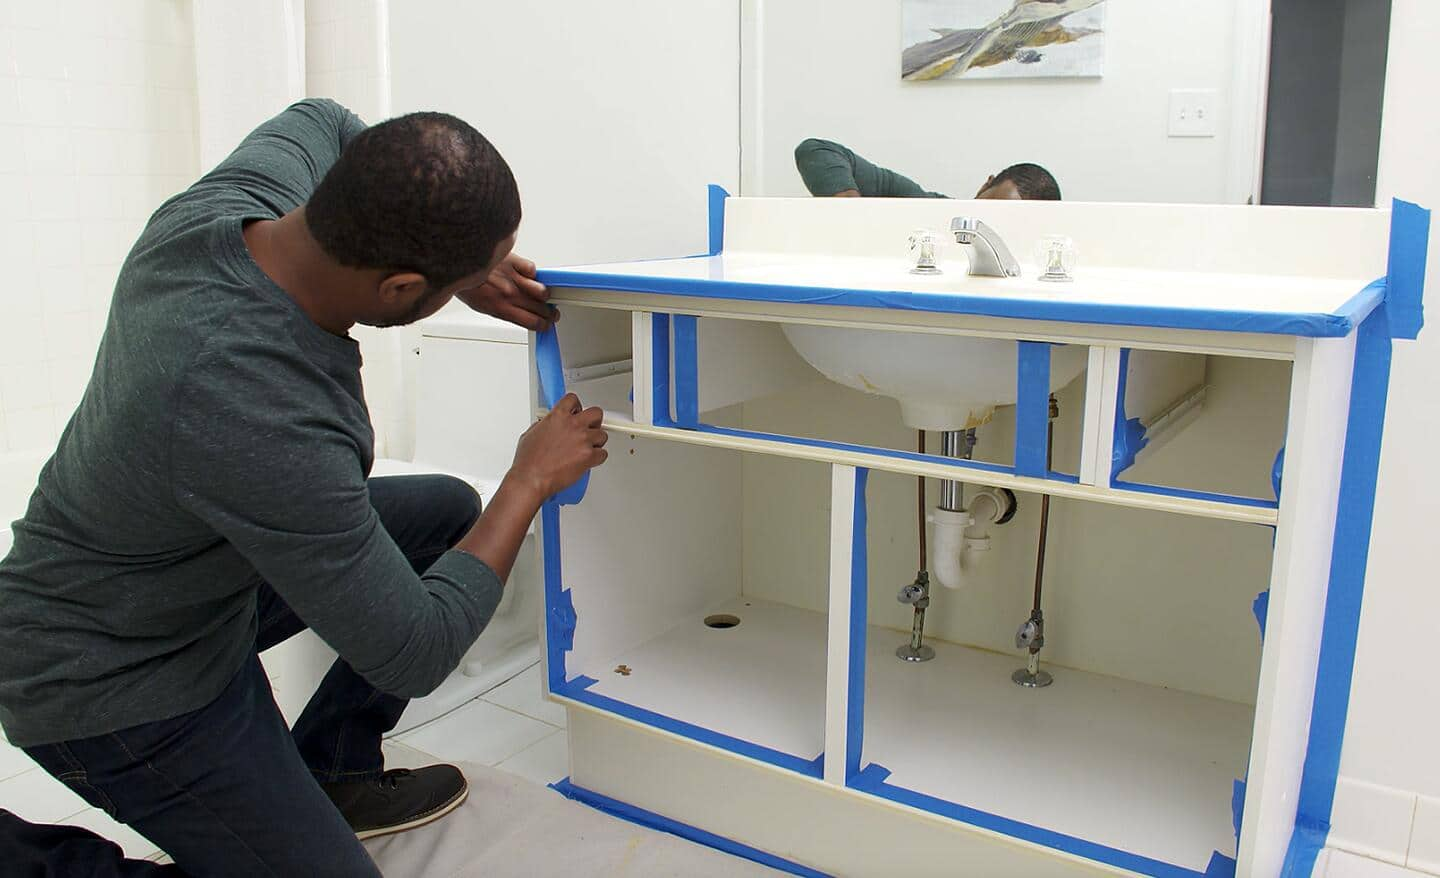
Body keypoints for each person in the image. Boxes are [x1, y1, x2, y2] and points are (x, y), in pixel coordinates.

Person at [0, 99, 608, 876]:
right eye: (449, 282)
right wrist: (528, 480)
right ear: (399, 288)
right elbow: (414, 654)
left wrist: (465, 269)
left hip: (183, 583)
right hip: (111, 680)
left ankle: (335, 766)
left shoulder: (224, 214)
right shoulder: (259, 407)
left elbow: (327, 118)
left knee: (445, 515)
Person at [793, 137, 1061, 200]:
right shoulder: (924, 205)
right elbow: (815, 150)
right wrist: (853, 214)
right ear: (984, 186)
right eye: (986, 212)